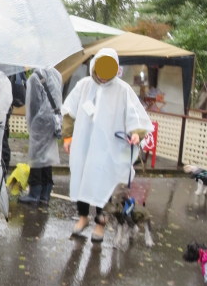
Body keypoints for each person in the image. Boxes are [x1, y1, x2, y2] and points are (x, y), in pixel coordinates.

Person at [61, 47, 153, 243]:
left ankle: (100, 224)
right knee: (82, 180)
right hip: (84, 146)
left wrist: (136, 133)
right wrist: (68, 137)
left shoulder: (123, 90)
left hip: (108, 148)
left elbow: (136, 116)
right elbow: (69, 111)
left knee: (104, 184)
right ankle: (83, 217)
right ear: (94, 67)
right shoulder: (84, 86)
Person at [19, 67, 62, 206]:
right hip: (55, 119)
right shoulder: (57, 74)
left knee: (37, 156)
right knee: (47, 156)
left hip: (41, 120)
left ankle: (34, 194)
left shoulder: (34, 78)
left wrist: (32, 125)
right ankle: (45, 195)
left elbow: (33, 104)